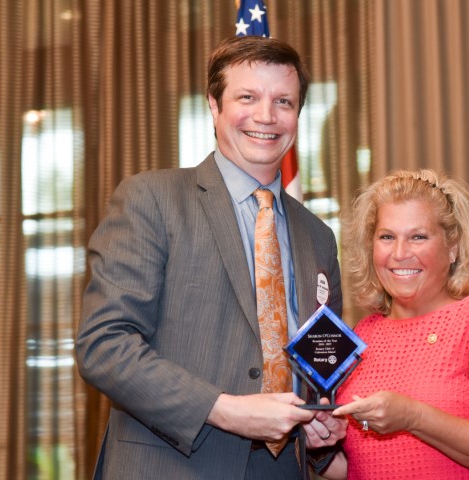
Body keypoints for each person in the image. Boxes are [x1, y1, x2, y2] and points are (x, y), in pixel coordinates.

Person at [75, 36, 346, 480]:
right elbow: (104, 345)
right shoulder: (152, 199)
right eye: (247, 97)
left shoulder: (318, 236)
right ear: (214, 105)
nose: (266, 115)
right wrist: (225, 410)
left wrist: (321, 427)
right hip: (171, 467)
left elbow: (321, 361)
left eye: (283, 101)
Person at [320, 169, 469, 479]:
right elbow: (359, 466)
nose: (399, 253)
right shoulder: (361, 334)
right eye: (387, 237)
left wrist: (412, 417)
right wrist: (319, 447)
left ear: (452, 247)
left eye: (418, 237)